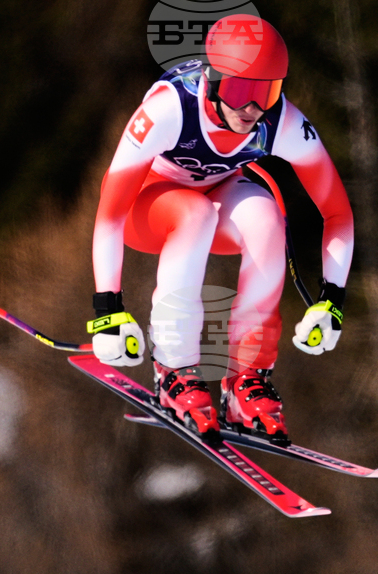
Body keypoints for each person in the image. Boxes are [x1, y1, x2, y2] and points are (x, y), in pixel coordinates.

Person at [88, 14, 354, 439]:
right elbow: (111, 210)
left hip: (212, 197)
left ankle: (246, 380)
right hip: (145, 207)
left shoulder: (281, 122)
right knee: (193, 214)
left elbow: (337, 212)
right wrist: (108, 310)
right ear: (211, 80)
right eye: (239, 91)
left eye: (266, 93)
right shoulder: (170, 109)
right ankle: (174, 370)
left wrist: (331, 301)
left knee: (266, 217)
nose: (252, 109)